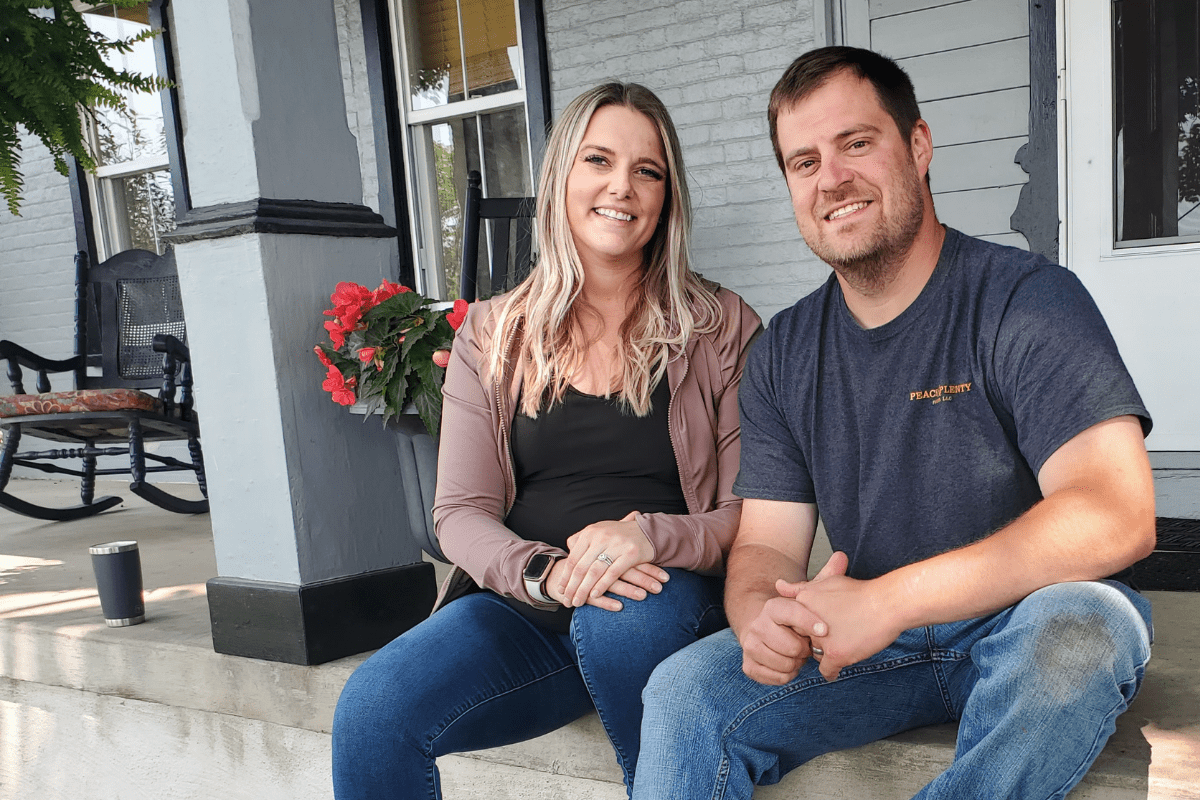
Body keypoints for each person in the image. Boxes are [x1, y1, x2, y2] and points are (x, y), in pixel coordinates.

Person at [632, 46, 1156, 800]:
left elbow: (1118, 514)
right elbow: (767, 545)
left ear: (917, 145)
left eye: (856, 143)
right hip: (870, 648)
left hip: (1023, 624)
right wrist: (759, 619)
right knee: (684, 690)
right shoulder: (783, 351)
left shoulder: (1027, 298)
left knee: (1083, 632)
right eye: (803, 162)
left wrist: (889, 600)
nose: (832, 179)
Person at [331, 82, 761, 799]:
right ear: (562, 175)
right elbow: (460, 512)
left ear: (667, 196)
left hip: (666, 598)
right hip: (525, 608)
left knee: (619, 620)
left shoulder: (719, 327)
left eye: (647, 170)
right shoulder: (494, 333)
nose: (621, 185)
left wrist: (650, 536)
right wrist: (544, 574)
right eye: (598, 160)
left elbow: (756, 512)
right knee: (373, 710)